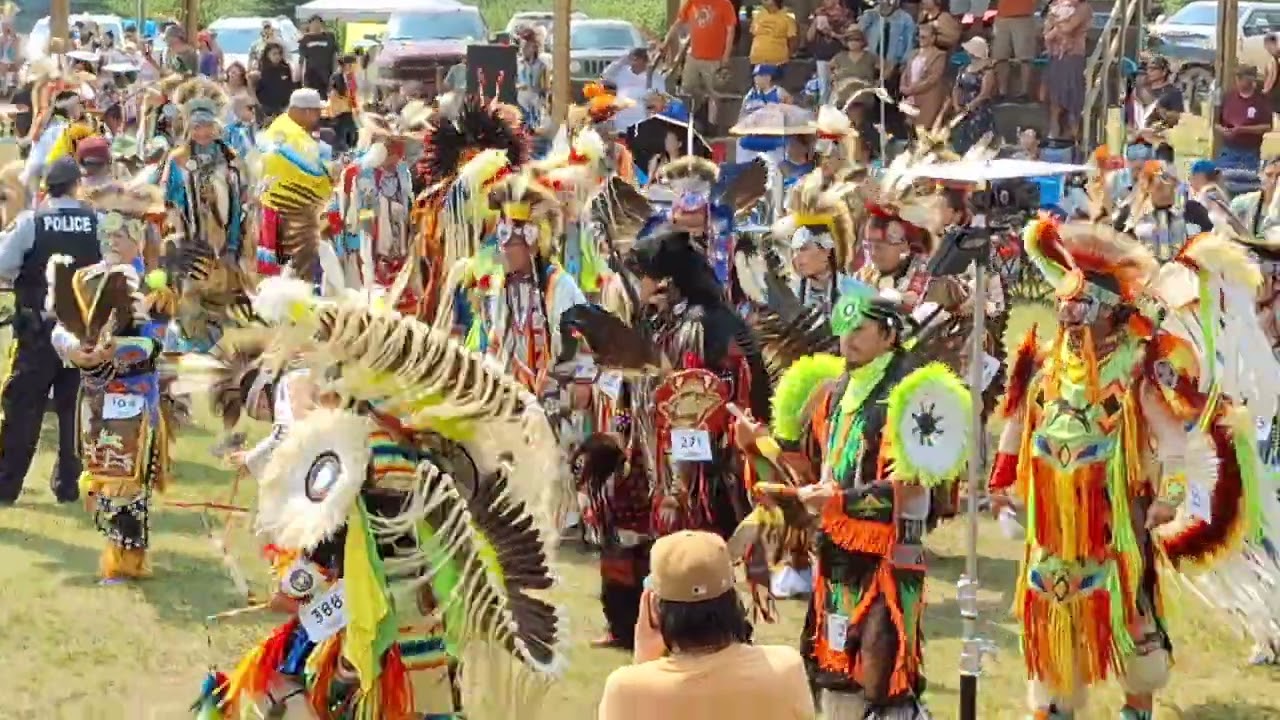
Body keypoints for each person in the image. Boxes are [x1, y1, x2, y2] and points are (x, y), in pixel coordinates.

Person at [995, 214, 1273, 720]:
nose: (1071, 320)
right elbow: (1017, 421)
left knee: (1128, 611)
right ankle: (1053, 704)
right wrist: (1002, 483)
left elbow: (1172, 441)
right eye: (1066, 309)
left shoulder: (1137, 368)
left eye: (1082, 310)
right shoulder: (1046, 367)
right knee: (1053, 606)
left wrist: (1169, 497)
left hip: (1115, 519)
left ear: (1108, 312)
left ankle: (1136, 705)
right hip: (1051, 528)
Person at [50, 179, 169, 583]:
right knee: (103, 474)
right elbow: (59, 326)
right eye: (108, 233)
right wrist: (75, 349)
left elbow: (156, 346)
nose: (114, 241)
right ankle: (121, 553)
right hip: (96, 393)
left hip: (134, 394)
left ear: (139, 240)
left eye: (123, 234)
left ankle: (125, 560)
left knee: (127, 479)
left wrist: (116, 350)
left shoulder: (152, 287)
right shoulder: (83, 279)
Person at [597, 531, 816, 720]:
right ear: (733, 600)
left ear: (653, 608)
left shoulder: (626, 688)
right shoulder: (785, 668)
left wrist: (642, 663)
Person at [0, 158, 101, 506]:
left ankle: (7, 487)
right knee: (75, 410)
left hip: (38, 332)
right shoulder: (96, 222)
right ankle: (69, 486)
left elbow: (3, 264)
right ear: (76, 186)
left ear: (46, 187)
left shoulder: (32, 222)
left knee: (23, 409)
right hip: (84, 331)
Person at [665, 0, 736, 129]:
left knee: (715, 91)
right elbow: (678, 23)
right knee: (687, 88)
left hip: (714, 57)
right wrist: (665, 43)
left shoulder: (724, 4)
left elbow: (730, 30)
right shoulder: (691, 3)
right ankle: (690, 119)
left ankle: (712, 124)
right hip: (694, 56)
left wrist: (726, 55)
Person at [1043, 0, 1091, 140]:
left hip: (1073, 55)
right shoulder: (1056, 5)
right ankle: (1054, 130)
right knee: (1054, 96)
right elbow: (1046, 31)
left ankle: (1074, 132)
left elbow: (1068, 28)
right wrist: (1055, 21)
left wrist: (1055, 21)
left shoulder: (1083, 8)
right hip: (1056, 55)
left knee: (1072, 96)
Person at [1218, 65, 1272, 171]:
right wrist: (1222, 130)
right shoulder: (1228, 96)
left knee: (1248, 182)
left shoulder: (1261, 100)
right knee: (1224, 180)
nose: (1237, 80)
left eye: (1240, 78)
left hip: (1250, 152)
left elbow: (1267, 126)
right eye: (1237, 77)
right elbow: (1217, 122)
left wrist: (1242, 129)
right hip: (1228, 149)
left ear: (1250, 80)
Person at [950, 36, 997, 152]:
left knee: (978, 143)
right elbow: (956, 88)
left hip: (979, 112)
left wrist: (971, 106)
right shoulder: (963, 69)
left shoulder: (987, 71)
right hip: (962, 111)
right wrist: (956, 105)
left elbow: (985, 93)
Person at [604, 47, 666, 133]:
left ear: (644, 61)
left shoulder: (655, 78)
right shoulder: (621, 72)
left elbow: (660, 101)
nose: (634, 62)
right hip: (621, 124)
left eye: (637, 59)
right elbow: (605, 76)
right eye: (632, 59)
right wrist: (621, 61)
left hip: (642, 125)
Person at [899, 22, 948, 132]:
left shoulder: (939, 55)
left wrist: (913, 89)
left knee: (923, 129)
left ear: (933, 38)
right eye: (919, 36)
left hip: (928, 96)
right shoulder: (913, 53)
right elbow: (906, 72)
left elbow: (933, 78)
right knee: (910, 127)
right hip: (911, 97)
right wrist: (903, 87)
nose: (920, 39)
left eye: (924, 37)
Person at [858, 0, 915, 93]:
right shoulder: (870, 15)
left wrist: (904, 64)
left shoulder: (906, 19)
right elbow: (858, 34)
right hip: (870, 63)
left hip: (893, 65)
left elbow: (909, 44)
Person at [807, 0, 852, 104]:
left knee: (840, 87)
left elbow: (849, 40)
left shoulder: (846, 15)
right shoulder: (820, 14)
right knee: (823, 88)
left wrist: (832, 34)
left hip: (840, 57)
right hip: (822, 56)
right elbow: (809, 38)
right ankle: (824, 111)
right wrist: (815, 21)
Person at [993, 0, 1037, 99]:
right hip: (1002, 17)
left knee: (1025, 56)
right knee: (1000, 55)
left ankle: (1025, 91)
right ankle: (1002, 91)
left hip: (1023, 16)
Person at [749, 0, 799, 67]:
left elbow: (793, 39)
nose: (763, 2)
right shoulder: (759, 15)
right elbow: (753, 33)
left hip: (777, 60)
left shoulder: (787, 17)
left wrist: (789, 54)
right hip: (756, 59)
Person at [254, 42, 296, 120]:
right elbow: (256, 90)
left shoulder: (285, 68)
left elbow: (290, 86)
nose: (277, 56)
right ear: (267, 55)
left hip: (284, 107)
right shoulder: (261, 70)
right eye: (274, 54)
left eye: (279, 53)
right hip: (267, 108)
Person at [299, 15, 339, 94]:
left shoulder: (329, 37)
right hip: (311, 76)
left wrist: (334, 73)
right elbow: (302, 60)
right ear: (309, 25)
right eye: (313, 23)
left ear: (322, 24)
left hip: (326, 74)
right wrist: (302, 79)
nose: (316, 25)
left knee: (325, 100)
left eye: (318, 23)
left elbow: (335, 56)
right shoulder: (305, 39)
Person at [1265, 34, 1280, 125]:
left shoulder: (1275, 58)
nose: (1267, 48)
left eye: (1268, 45)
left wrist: (1267, 89)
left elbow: (1273, 75)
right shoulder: (1273, 57)